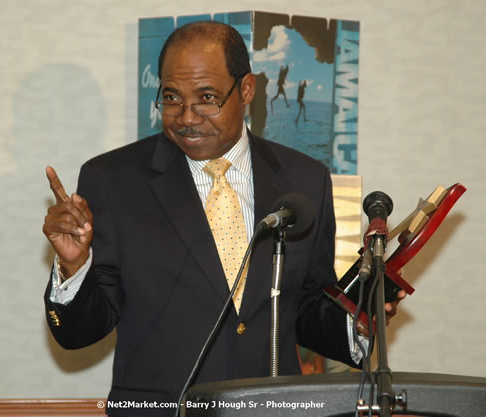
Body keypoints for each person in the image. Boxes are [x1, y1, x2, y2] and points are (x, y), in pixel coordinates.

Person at [42, 21, 403, 417]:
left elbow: (307, 307)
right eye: (172, 97)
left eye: (207, 97)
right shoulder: (113, 180)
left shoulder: (305, 179)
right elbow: (79, 332)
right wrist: (74, 267)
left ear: (246, 89)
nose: (187, 117)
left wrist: (360, 320)